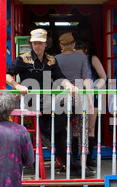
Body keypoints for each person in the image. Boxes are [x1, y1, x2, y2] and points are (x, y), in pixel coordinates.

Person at [6, 28, 81, 175]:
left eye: (40, 43)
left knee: (75, 107)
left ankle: (48, 130)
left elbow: (61, 77)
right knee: (60, 132)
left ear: (46, 44)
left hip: (48, 102)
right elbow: (7, 75)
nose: (37, 46)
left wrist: (70, 86)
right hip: (31, 102)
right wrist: (17, 85)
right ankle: (73, 166)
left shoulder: (51, 60)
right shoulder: (23, 59)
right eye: (34, 43)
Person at [55, 32, 94, 177]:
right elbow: (86, 80)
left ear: (61, 45)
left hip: (62, 98)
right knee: (83, 131)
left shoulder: (56, 59)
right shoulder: (81, 57)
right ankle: (83, 165)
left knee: (65, 132)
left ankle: (67, 163)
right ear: (73, 44)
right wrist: (90, 100)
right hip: (79, 95)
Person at [74, 40, 107, 169]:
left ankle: (89, 159)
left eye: (79, 50)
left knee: (90, 128)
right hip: (76, 95)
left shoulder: (92, 59)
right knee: (76, 129)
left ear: (85, 50)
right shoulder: (73, 60)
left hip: (91, 97)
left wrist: (94, 89)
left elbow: (103, 77)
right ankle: (77, 158)